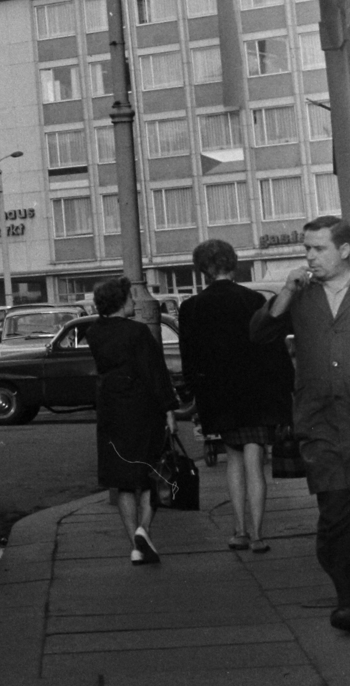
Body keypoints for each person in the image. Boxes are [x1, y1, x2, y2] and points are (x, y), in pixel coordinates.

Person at [252, 215, 350, 631]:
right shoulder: (302, 295)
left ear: (344, 250)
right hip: (320, 423)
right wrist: (285, 293)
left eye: (319, 248)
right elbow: (259, 334)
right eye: (306, 248)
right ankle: (347, 597)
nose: (310, 256)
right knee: (335, 513)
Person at [180, 239, 293, 552]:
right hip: (257, 392)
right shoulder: (252, 299)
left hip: (220, 395)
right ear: (232, 264)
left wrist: (196, 395)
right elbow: (272, 348)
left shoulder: (191, 307)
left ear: (202, 269)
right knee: (256, 462)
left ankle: (238, 530)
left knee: (234, 460)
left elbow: (190, 356)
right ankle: (258, 535)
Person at [86, 276, 178, 565]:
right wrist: (169, 409)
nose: (134, 301)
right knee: (155, 472)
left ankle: (134, 545)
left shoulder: (93, 333)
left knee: (122, 480)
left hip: (112, 409)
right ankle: (144, 529)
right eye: (129, 297)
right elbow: (154, 373)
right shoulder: (137, 333)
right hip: (142, 409)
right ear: (120, 301)